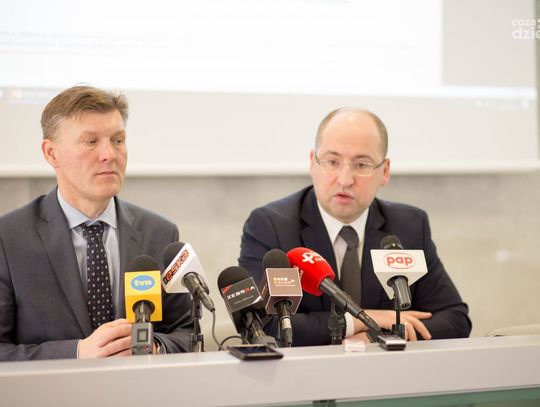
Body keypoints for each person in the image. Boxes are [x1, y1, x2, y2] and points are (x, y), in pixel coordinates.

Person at [239, 108, 471, 346]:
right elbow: (260, 324)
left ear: (385, 171)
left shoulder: (409, 227)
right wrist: (359, 321)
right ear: (312, 162)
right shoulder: (270, 227)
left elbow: (455, 319)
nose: (345, 179)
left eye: (362, 165)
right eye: (332, 162)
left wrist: (376, 337)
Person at [0, 85, 193, 361]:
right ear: (51, 153)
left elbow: (186, 332)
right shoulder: (8, 238)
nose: (109, 154)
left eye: (118, 140)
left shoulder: (160, 233)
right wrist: (77, 352)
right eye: (91, 142)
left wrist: (154, 347)